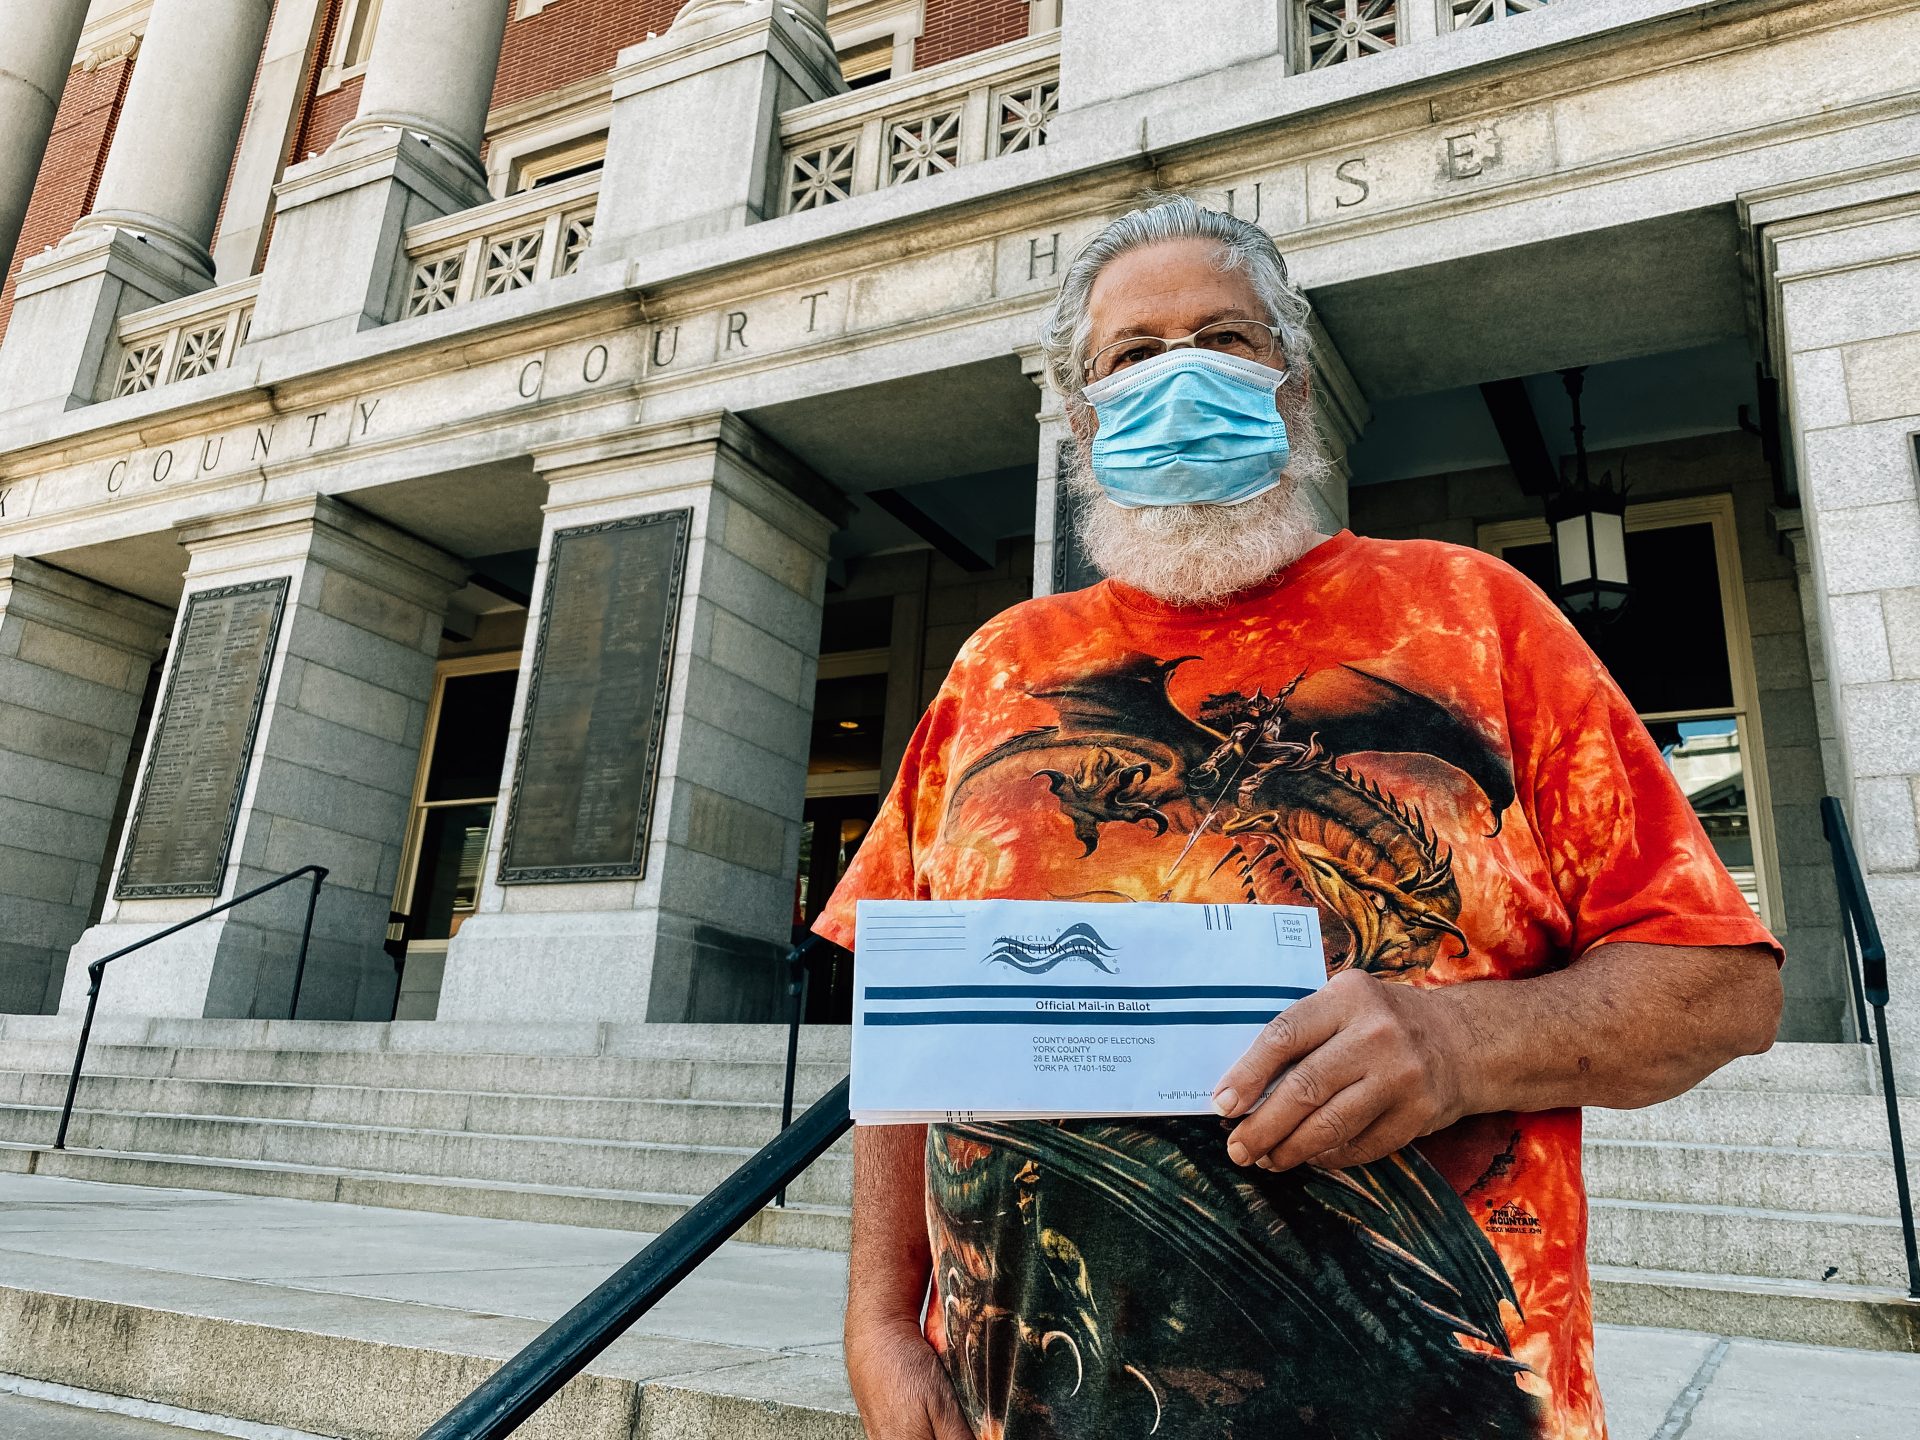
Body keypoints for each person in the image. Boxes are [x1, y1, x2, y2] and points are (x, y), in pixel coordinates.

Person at [819, 195, 1783, 1440]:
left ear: (1293, 385)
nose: (1182, 379)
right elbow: (905, 1024)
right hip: (1033, 1396)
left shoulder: (1473, 615)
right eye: (1134, 357)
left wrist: (1459, 1042)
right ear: (1078, 414)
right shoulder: (999, 668)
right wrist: (881, 1322)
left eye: (1226, 340)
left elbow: (1724, 989)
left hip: (1436, 1396)